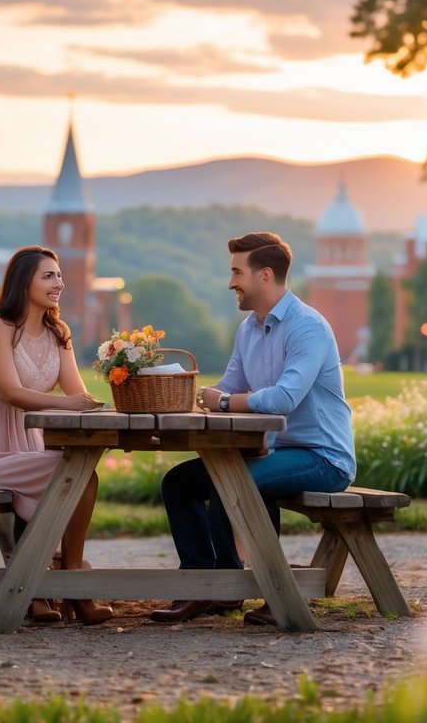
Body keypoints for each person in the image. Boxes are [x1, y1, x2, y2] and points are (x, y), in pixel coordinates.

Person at [148, 232, 356, 626]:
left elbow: (282, 399)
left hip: (322, 456)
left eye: (236, 273)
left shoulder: (307, 327)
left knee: (235, 481)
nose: (231, 283)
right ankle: (203, 584)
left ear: (264, 275)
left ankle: (249, 590)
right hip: (274, 451)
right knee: (178, 483)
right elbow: (228, 385)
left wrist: (224, 402)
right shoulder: (249, 329)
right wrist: (210, 394)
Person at [0, 245, 113, 626]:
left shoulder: (58, 332)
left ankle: (68, 586)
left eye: (59, 275)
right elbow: (12, 391)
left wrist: (113, 399)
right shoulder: (0, 327)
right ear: (22, 281)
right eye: (48, 276)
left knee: (81, 476)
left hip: (30, 445)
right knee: (79, 477)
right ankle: (51, 588)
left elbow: (78, 392)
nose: (58, 282)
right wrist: (66, 406)